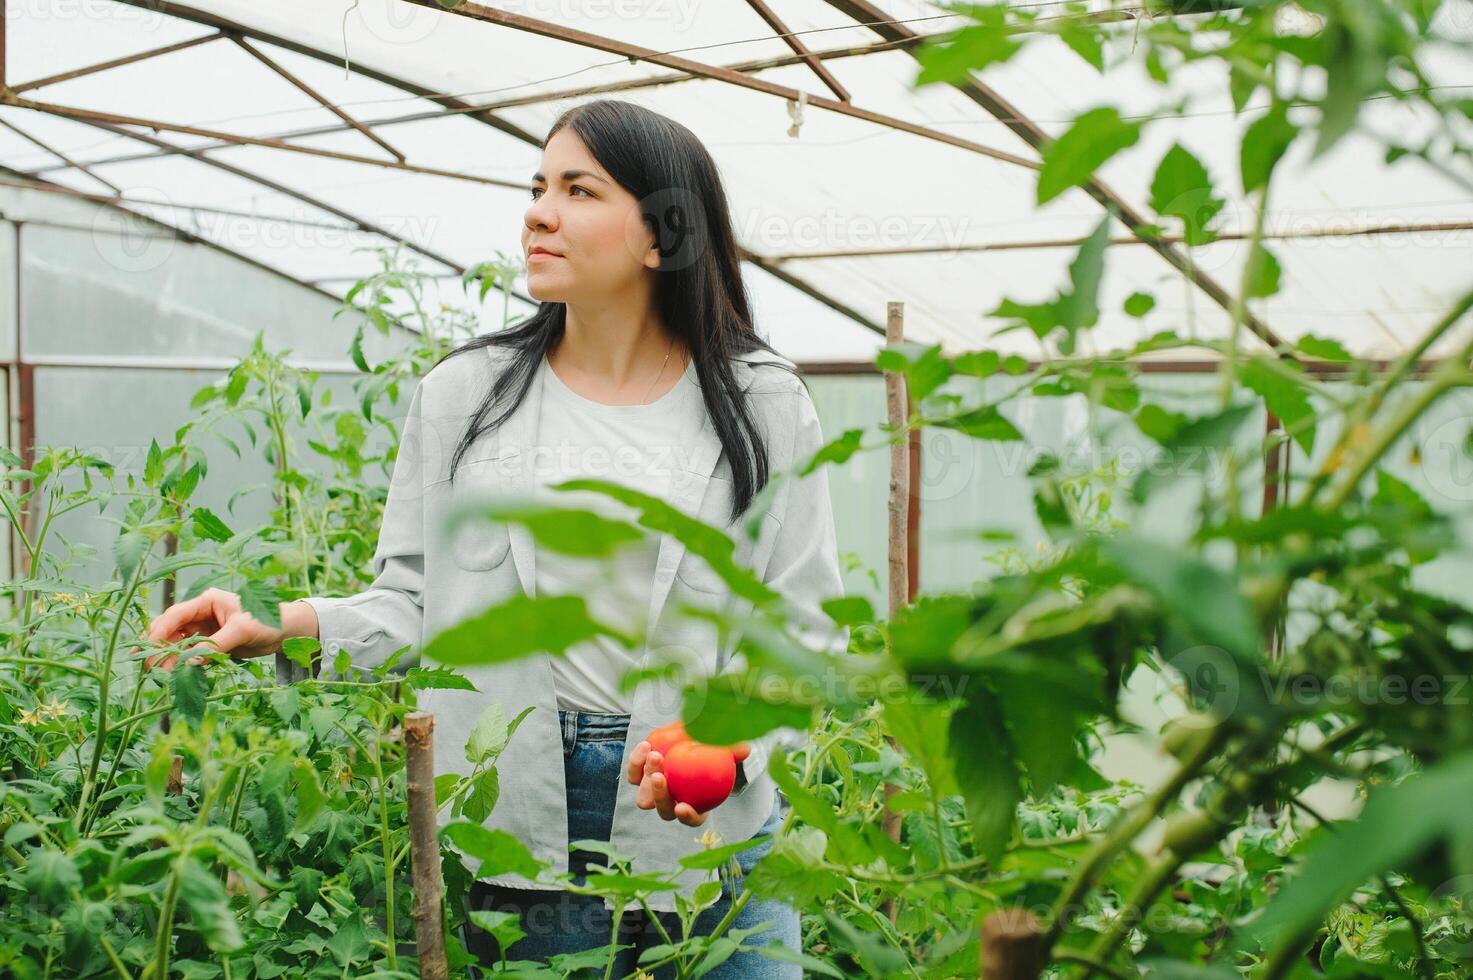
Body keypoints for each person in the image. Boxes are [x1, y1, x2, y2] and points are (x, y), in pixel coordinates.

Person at [144, 98, 848, 978]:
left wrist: (731, 748)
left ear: (660, 236)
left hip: (713, 841)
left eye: (579, 190)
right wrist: (277, 625)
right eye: (537, 185)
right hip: (516, 803)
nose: (538, 212)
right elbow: (416, 604)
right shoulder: (465, 397)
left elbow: (805, 627)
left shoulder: (762, 403)